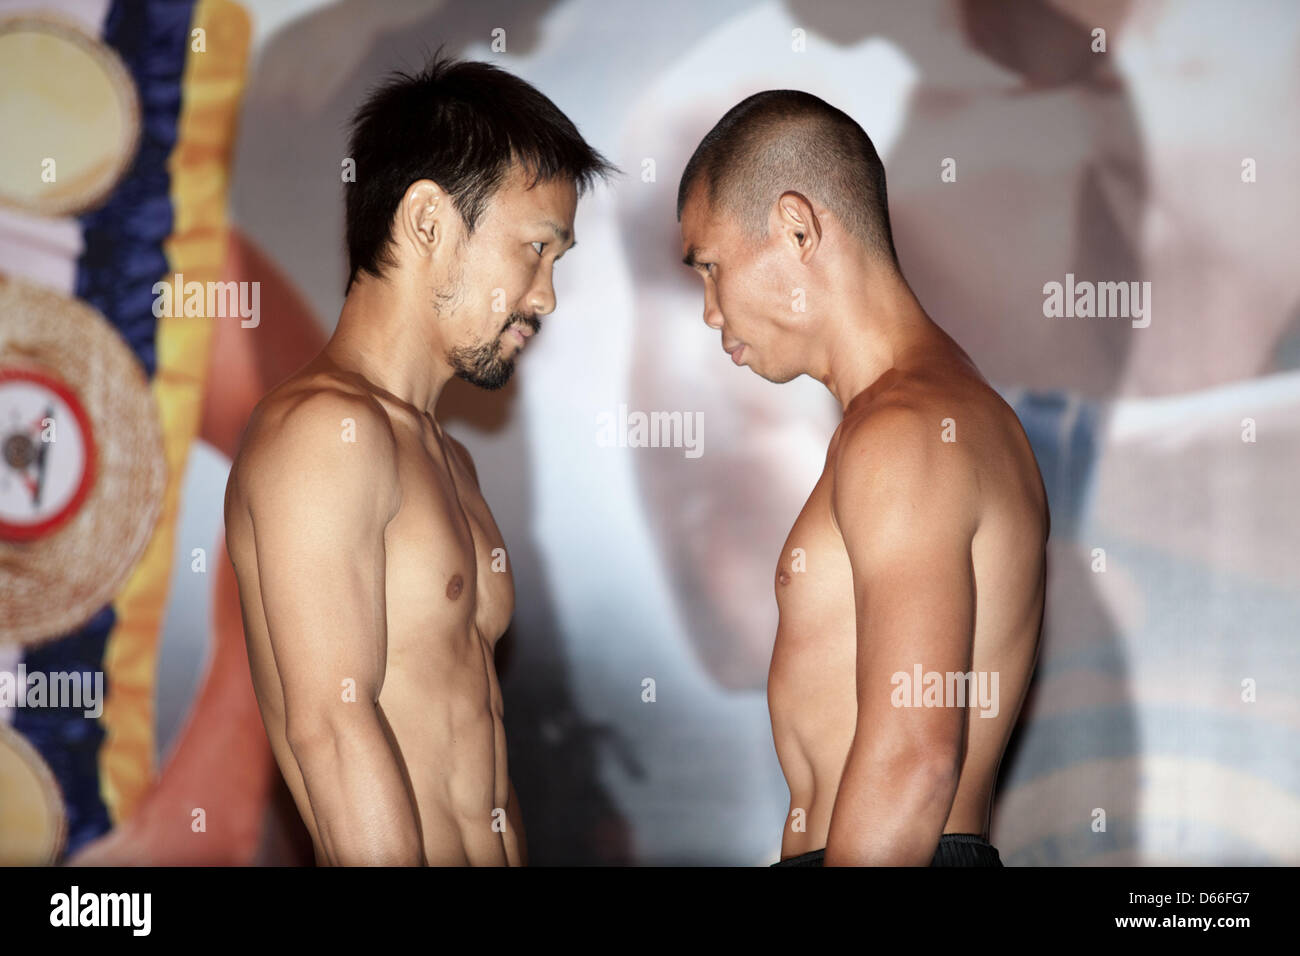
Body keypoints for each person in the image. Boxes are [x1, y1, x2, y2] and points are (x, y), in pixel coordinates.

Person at [223, 54, 613, 865]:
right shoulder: (323, 432)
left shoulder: (447, 459)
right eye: (535, 248)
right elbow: (332, 729)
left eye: (557, 262)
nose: (545, 296)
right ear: (429, 221)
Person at [676, 90, 1048, 866]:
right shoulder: (932, 414)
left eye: (711, 267)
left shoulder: (907, 431)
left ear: (797, 228)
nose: (710, 312)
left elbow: (915, 761)